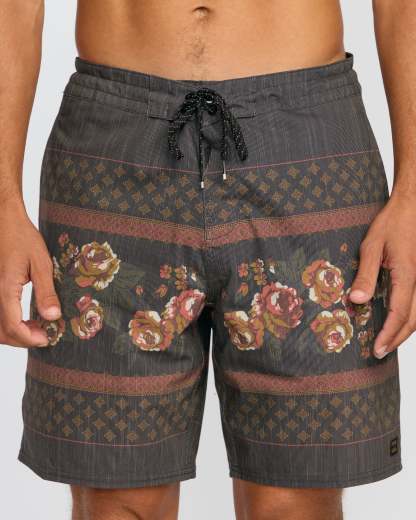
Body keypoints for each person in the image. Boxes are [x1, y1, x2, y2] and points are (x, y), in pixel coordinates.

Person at [0, 1, 414, 519]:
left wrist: (412, 194)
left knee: (296, 502)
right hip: (112, 147)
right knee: (117, 497)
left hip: (306, 145)